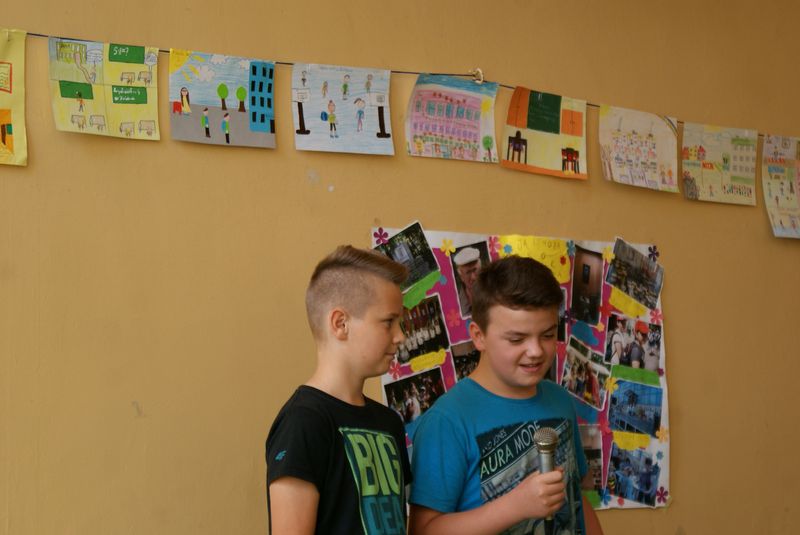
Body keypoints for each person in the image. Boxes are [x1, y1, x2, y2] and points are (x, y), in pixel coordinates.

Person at [409, 256, 603, 535]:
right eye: (516, 339)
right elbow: (423, 531)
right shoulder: (446, 421)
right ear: (479, 336)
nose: (536, 351)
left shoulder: (560, 400)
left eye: (548, 335)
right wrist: (515, 506)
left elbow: (576, 497)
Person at [265, 245, 412, 534]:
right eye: (388, 322)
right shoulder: (303, 422)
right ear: (340, 323)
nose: (401, 336)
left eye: (401, 323)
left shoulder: (390, 423)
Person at [453, 246, 482, 317]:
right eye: (468, 272)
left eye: (475, 270)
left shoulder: (493, 293)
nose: (473, 277)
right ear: (461, 277)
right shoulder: (457, 306)